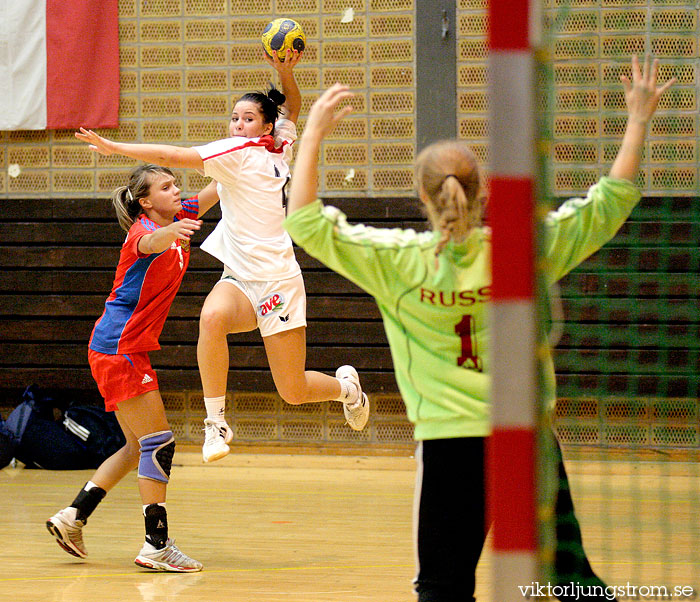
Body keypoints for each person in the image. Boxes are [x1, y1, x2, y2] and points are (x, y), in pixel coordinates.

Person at [283, 56, 674, 601]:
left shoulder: (396, 263)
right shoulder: (521, 250)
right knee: (572, 585)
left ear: (423, 197)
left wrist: (315, 133)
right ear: (483, 191)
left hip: (451, 444)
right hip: (526, 440)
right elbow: (607, 205)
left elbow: (303, 221)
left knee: (442, 589)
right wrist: (637, 120)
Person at [74, 50, 369, 464]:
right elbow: (174, 156)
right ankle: (216, 423)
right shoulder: (233, 152)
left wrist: (285, 73)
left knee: (293, 390)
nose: (237, 124)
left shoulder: (277, 144)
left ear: (266, 125)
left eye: (247, 118)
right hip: (240, 278)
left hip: (280, 282)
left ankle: (346, 389)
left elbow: (293, 107)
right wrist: (114, 147)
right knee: (211, 318)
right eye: (234, 118)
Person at [46, 164, 220, 572]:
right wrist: (170, 234)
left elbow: (217, 188)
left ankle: (73, 517)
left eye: (176, 184)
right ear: (145, 201)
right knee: (159, 441)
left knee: (135, 446)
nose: (177, 190)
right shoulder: (143, 232)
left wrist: (255, 149)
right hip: (118, 349)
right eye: (166, 186)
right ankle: (155, 546)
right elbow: (149, 243)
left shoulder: (179, 214)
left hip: (122, 349)